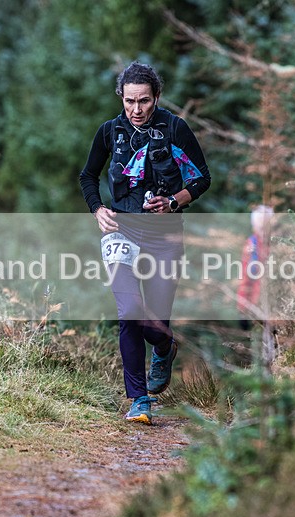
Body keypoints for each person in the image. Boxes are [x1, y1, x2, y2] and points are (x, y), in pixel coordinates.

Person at [79, 61, 212, 424]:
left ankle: (166, 346)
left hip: (164, 235)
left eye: (144, 102)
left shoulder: (174, 129)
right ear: (121, 98)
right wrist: (97, 209)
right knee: (129, 312)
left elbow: (202, 179)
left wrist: (173, 202)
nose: (136, 110)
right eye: (129, 102)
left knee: (155, 321)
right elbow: (88, 175)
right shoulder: (110, 132)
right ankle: (139, 400)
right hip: (120, 231)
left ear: (157, 97)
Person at [237, 205, 273, 329]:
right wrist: (243, 310)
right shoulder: (252, 245)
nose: (263, 231)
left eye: (266, 226)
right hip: (257, 308)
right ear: (255, 227)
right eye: (260, 227)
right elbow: (245, 279)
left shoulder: (279, 243)